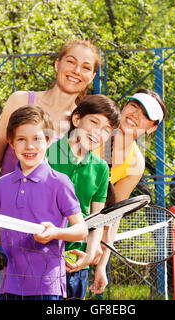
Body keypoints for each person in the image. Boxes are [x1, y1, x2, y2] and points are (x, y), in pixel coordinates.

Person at [0, 39, 101, 298]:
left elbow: (91, 192)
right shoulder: (20, 100)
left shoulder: (81, 124)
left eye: (85, 67)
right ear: (57, 63)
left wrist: (92, 248)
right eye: (70, 61)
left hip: (48, 248)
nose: (76, 71)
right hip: (6, 234)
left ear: (92, 75)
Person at [0, 105, 88, 300]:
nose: (30, 146)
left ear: (49, 141)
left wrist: (55, 233)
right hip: (10, 286)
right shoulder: (1, 185)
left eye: (37, 139)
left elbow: (81, 230)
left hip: (46, 288)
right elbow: (2, 231)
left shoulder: (59, 182)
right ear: (11, 143)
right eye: (21, 139)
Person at [88, 88, 167, 295]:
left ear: (152, 128)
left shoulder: (136, 163)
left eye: (145, 114)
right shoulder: (94, 133)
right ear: (124, 107)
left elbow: (113, 215)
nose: (135, 114)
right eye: (133, 105)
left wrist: (102, 264)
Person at [46, 94, 121, 299]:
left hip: (76, 265)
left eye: (106, 130)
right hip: (40, 261)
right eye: (94, 122)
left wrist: (89, 253)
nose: (98, 133)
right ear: (77, 119)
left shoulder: (101, 167)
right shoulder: (45, 152)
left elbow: (97, 218)